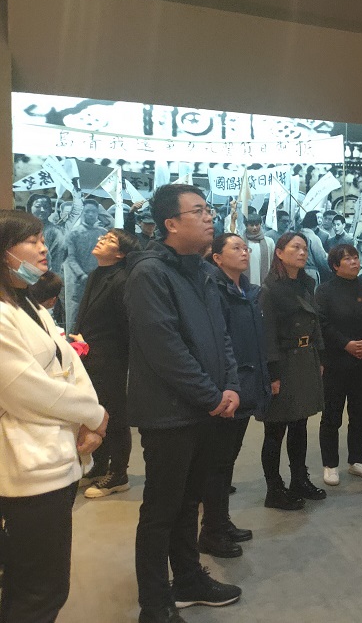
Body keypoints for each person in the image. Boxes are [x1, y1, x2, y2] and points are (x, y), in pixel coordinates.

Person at [126, 183, 242, 622]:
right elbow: (165, 349)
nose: (209, 217)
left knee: (190, 502)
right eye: (198, 211)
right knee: (161, 511)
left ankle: (190, 580)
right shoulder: (150, 273)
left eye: (208, 209)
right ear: (171, 223)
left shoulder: (201, 270)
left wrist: (230, 385)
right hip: (169, 414)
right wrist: (212, 396)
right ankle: (155, 605)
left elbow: (222, 337)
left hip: (205, 408)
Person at [0, 209, 107, 623]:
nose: (43, 248)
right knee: (38, 592)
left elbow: (69, 365)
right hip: (28, 467)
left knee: (43, 585)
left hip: (57, 457)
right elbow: (26, 389)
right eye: (31, 241)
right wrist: (93, 414)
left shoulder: (28, 303)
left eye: (42, 239)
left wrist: (91, 417)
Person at [198, 233, 271, 559]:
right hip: (226, 389)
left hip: (246, 383)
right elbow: (217, 344)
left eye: (245, 248)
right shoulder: (213, 290)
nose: (244, 252)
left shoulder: (247, 291)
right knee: (216, 463)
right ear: (217, 258)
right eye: (236, 248)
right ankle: (211, 532)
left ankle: (221, 522)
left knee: (226, 462)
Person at [259, 232, 326, 508]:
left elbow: (315, 322)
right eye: (295, 247)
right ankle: (274, 489)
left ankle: (299, 479)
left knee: (300, 424)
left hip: (305, 358)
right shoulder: (270, 289)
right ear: (279, 252)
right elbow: (267, 334)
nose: (302, 252)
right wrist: (272, 374)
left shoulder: (306, 283)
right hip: (283, 362)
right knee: (275, 429)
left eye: (305, 248)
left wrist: (320, 356)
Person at [75, 228, 142, 499]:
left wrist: (103, 349)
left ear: (121, 254)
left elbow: (126, 326)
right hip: (88, 355)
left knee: (114, 415)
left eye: (110, 240)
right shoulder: (96, 274)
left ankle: (119, 474)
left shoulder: (122, 280)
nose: (101, 240)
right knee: (94, 410)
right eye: (104, 237)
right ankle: (100, 465)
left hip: (111, 358)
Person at [316, 243, 362, 486]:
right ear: (335, 265)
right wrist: (346, 344)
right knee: (332, 415)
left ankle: (357, 461)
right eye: (347, 259)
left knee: (360, 413)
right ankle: (330, 465)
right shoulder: (324, 291)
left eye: (355, 257)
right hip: (336, 361)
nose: (354, 262)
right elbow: (322, 324)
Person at [63, 198, 105, 330]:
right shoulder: (74, 234)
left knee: (97, 315)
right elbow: (71, 258)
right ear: (82, 213)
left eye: (94, 212)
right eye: (87, 211)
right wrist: (81, 275)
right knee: (75, 315)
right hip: (79, 281)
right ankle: (71, 341)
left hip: (99, 280)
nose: (90, 215)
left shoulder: (103, 233)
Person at [299, 210, 333, 285]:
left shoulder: (297, 235)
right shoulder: (313, 238)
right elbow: (321, 258)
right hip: (310, 272)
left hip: (297, 270)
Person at [243, 213, 274, 285]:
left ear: (260, 224)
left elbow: (273, 262)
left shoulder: (269, 242)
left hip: (264, 282)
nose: (255, 228)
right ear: (246, 226)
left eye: (257, 225)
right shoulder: (241, 242)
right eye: (251, 225)